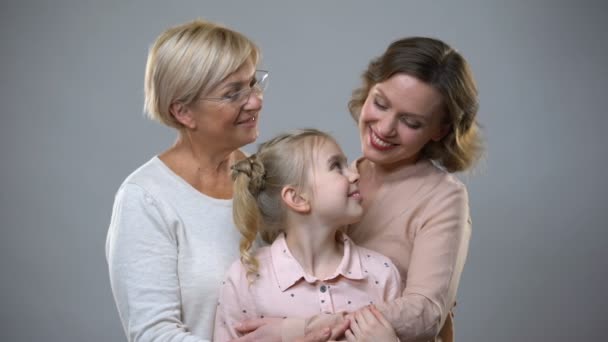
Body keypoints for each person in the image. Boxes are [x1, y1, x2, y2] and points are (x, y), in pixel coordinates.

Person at [234, 36, 482, 342]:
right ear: (368, 89)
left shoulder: (444, 198)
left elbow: (424, 313)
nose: (385, 127)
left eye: (411, 122)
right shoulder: (334, 183)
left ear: (440, 130)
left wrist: (301, 329)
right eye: (380, 103)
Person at [105, 19, 268, 341]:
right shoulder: (145, 198)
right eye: (233, 93)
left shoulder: (267, 177)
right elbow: (154, 334)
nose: (255, 101)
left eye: (252, 83)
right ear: (183, 113)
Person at [213, 129, 403, 342]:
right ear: (297, 198)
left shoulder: (381, 273)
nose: (354, 174)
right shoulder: (246, 278)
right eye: (336, 166)